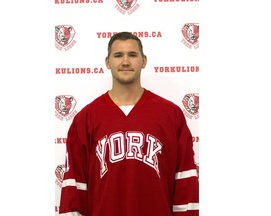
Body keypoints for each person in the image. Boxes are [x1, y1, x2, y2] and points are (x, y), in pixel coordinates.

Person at [58, 31, 199, 216]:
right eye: (118, 55)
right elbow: (74, 190)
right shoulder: (86, 118)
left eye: (132, 55)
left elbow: (185, 184)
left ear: (144, 60)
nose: (125, 61)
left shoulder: (171, 115)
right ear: (107, 62)